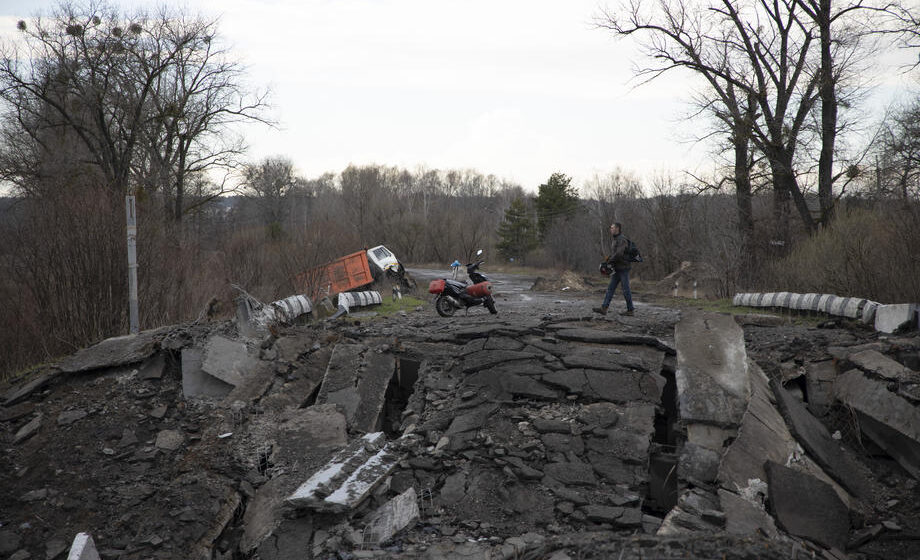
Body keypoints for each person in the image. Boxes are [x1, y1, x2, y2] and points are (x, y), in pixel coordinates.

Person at [594, 222, 635, 316]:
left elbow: (619, 254)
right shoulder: (615, 239)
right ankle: (604, 308)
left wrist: (610, 261)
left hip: (624, 268)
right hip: (617, 268)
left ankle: (630, 310)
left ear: (617, 229)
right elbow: (615, 253)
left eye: (612, 228)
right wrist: (608, 259)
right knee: (610, 288)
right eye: (611, 228)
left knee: (626, 290)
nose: (611, 229)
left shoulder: (622, 239)